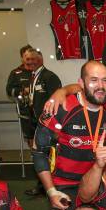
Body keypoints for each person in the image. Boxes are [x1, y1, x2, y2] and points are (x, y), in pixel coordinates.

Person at [32, 60, 106, 210]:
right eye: (93, 80)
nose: (100, 86)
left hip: (97, 184)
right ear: (81, 83)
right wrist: (51, 191)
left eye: (104, 80)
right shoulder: (59, 107)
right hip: (65, 187)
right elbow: (39, 152)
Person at [23, 50, 62, 197]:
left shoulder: (49, 77)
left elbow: (57, 102)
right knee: (39, 155)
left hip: (48, 126)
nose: (29, 62)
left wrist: (55, 128)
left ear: (41, 59)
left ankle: (49, 187)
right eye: (27, 59)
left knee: (48, 157)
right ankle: (42, 186)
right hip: (35, 123)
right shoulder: (32, 76)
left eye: (33, 59)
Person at [6, 45, 36, 144]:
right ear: (22, 58)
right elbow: (9, 91)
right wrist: (23, 91)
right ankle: (34, 157)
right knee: (31, 139)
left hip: (42, 111)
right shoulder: (15, 73)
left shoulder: (40, 71)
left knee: (46, 137)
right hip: (26, 112)